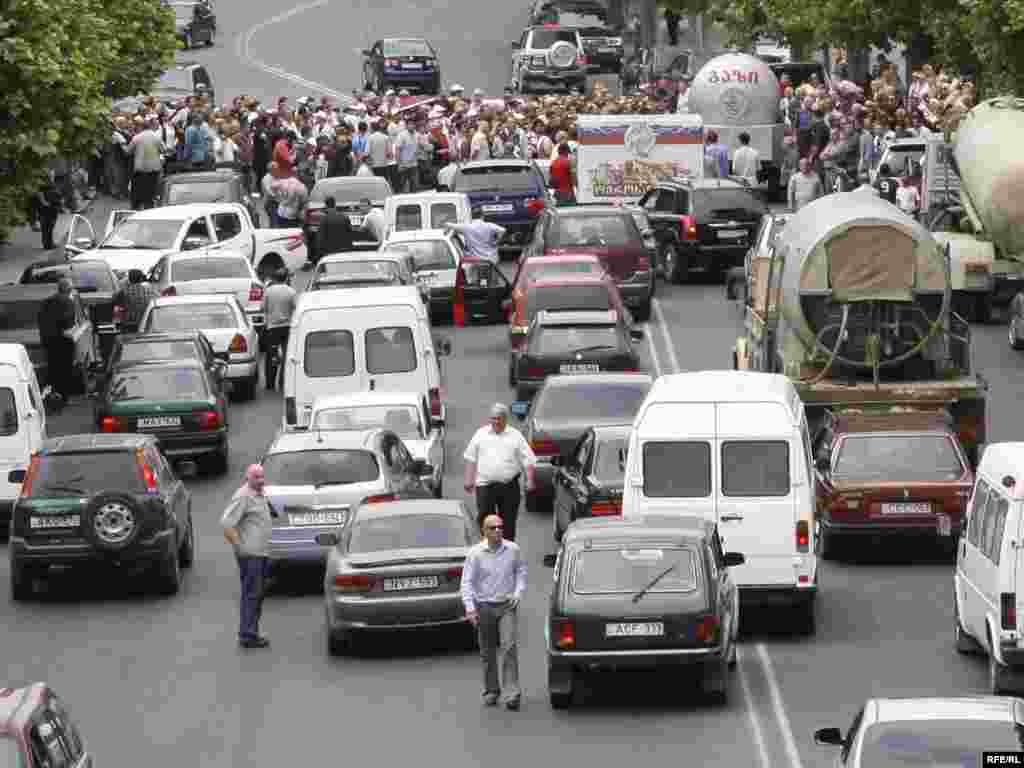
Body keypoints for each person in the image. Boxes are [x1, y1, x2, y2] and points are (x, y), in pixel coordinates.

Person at [459, 512, 527, 710]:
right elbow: (467, 583)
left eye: (500, 527)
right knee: (487, 651)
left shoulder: (513, 549)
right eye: (492, 528)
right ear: (484, 531)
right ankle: (491, 690)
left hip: (506, 605)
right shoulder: (475, 553)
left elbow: (521, 571)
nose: (497, 530)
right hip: (485, 606)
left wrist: (518, 592)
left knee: (509, 648)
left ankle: (512, 693)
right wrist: (470, 609)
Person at [221, 464, 279, 649]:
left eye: (262, 476)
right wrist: (239, 547)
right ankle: (248, 634)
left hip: (261, 553)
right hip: (251, 555)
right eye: (256, 477)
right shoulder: (243, 496)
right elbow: (226, 523)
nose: (261, 480)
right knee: (252, 594)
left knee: (258, 593)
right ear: (248, 478)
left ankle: (251, 631)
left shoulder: (259, 494)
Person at [462, 403, 537, 541]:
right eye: (493, 418)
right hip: (485, 485)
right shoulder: (480, 434)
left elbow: (528, 460)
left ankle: (507, 549)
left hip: (508, 486)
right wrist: (468, 479)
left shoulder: (516, 436)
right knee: (485, 518)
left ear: (505, 419)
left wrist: (530, 480)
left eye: (499, 418)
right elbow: (470, 457)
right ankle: (487, 545)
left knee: (508, 522)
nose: (496, 421)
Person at [37, 278, 77, 402]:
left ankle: (52, 393)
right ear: (69, 290)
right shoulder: (69, 302)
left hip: (48, 340)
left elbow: (40, 319)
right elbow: (69, 323)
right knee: (65, 369)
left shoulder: (46, 301)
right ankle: (63, 396)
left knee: (53, 367)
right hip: (63, 340)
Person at [261, 269, 297, 390]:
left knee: (271, 356)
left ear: (275, 279)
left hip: (272, 328)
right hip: (287, 327)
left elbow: (263, 308)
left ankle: (270, 383)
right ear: (286, 278)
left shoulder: (268, 291)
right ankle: (283, 382)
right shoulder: (291, 292)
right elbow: (296, 308)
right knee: (287, 355)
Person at [128, 116, 164, 210]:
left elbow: (129, 151)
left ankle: (137, 207)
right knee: (151, 190)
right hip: (154, 168)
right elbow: (163, 149)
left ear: (141, 127)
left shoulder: (136, 138)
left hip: (140, 168)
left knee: (138, 189)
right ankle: (149, 206)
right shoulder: (156, 136)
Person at [113, 269, 159, 333]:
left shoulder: (124, 292)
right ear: (141, 279)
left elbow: (117, 306)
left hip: (130, 325)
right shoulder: (152, 291)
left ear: (129, 279)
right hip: (148, 324)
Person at [315, 195, 354, 261]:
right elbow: (350, 234)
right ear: (335, 204)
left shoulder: (324, 219)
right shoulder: (344, 217)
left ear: (326, 206)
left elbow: (320, 238)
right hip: (344, 252)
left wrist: (319, 254)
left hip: (329, 253)